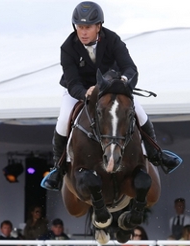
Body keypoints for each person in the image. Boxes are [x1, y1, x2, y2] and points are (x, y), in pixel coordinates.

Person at [40, 1, 182, 191]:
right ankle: (58, 168)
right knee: (63, 119)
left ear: (98, 26)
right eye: (80, 27)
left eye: (87, 27)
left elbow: (130, 68)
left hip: (111, 88)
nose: (82, 32)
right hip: (79, 90)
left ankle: (157, 155)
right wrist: (84, 93)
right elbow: (72, 81)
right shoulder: (67, 47)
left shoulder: (112, 39)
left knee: (139, 112)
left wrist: (123, 80)